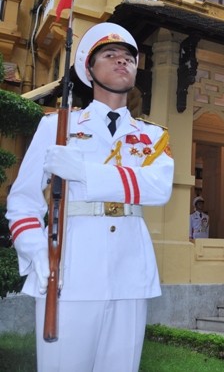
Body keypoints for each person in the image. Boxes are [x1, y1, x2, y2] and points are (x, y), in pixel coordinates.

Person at [6, 22, 174, 372]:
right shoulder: (57, 127)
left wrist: (84, 172)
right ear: (89, 70)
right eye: (110, 55)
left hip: (130, 272)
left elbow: (158, 188)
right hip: (69, 268)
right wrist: (37, 251)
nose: (122, 61)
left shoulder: (152, 135)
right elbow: (23, 200)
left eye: (128, 57)